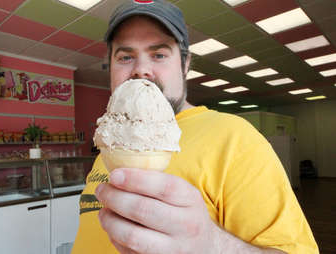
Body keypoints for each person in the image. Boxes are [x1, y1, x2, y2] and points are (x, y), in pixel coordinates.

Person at [72, 0, 319, 253]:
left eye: (158, 54)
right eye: (125, 57)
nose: (141, 69)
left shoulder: (236, 139)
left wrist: (213, 245)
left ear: (185, 63)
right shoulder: (111, 142)